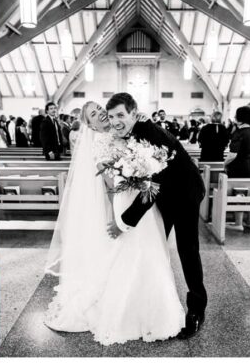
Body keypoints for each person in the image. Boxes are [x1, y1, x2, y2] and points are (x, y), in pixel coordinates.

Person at [43, 101, 186, 344]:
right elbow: (110, 185)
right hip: (126, 199)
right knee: (131, 252)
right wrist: (131, 184)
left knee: (152, 250)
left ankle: (155, 305)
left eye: (100, 110)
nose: (100, 115)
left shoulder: (124, 130)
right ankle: (127, 311)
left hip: (144, 202)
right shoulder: (99, 145)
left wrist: (143, 170)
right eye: (94, 115)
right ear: (89, 124)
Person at [106, 93, 207, 339]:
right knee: (156, 247)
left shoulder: (149, 136)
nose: (115, 121)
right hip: (163, 196)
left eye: (121, 115)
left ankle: (197, 309)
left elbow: (152, 185)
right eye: (111, 117)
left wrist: (124, 222)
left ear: (133, 113)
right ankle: (153, 302)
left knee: (187, 249)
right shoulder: (133, 133)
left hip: (184, 194)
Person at [225, 106, 250, 232]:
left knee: (239, 192)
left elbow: (233, 155)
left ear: (239, 117)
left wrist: (225, 164)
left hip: (241, 166)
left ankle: (238, 223)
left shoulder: (239, 132)